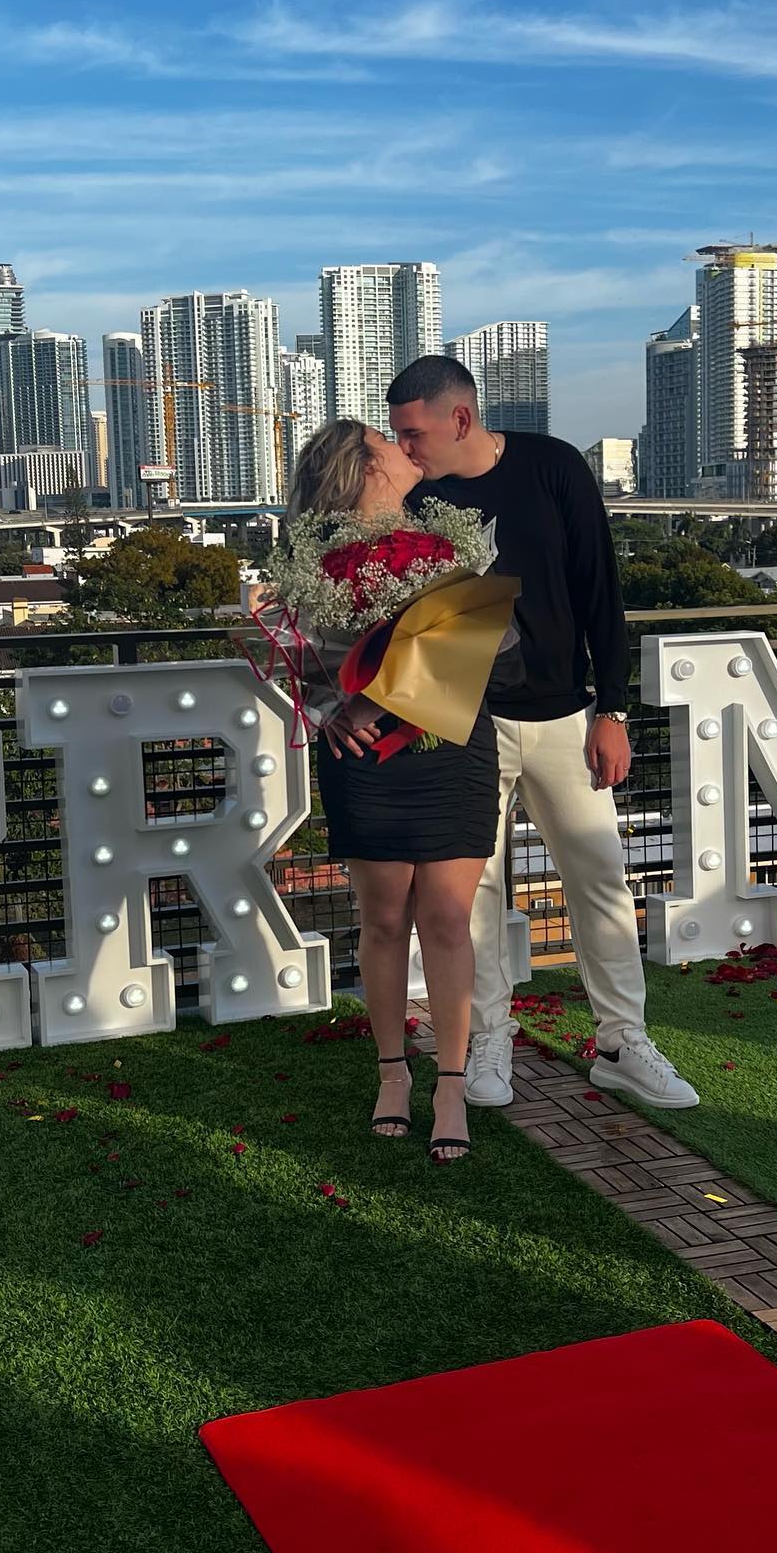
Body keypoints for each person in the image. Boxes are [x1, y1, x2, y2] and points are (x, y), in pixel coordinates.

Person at [386, 355, 700, 1112]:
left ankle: (623, 1042)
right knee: (475, 894)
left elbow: (602, 591)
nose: (405, 449)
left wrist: (613, 710)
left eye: (413, 433)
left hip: (564, 714)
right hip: (462, 724)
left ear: (459, 417)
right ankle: (489, 1038)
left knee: (599, 879)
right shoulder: (412, 495)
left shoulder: (554, 466)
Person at [285, 417, 509, 1163]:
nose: (404, 448)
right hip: (365, 755)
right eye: (388, 443)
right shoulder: (310, 562)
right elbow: (300, 662)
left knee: (447, 919)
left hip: (451, 746)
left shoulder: (453, 546)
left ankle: (449, 1082)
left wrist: (377, 695)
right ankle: (390, 1075)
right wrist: (328, 707)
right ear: (364, 468)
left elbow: (477, 640)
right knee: (383, 920)